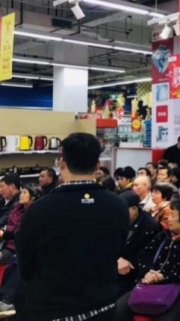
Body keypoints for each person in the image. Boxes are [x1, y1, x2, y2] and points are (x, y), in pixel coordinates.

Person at [17, 133, 129, 321]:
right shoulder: (118, 204)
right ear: (97, 165)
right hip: (103, 306)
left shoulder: (38, 209)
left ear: (62, 163)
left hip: (52, 308)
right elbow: (117, 248)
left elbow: (25, 265)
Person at [116, 200, 180, 321]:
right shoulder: (165, 235)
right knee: (118, 309)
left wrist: (163, 276)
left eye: (173, 215)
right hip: (150, 284)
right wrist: (147, 272)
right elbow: (145, 255)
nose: (168, 219)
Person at [117, 191, 161, 296]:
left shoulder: (150, 227)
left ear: (134, 209)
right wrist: (117, 258)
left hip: (133, 274)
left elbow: (146, 257)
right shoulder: (117, 219)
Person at [0, 184, 41, 267]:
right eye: (21, 192)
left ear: (33, 197)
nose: (21, 195)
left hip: (16, 249)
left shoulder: (34, 213)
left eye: (24, 193)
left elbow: (22, 235)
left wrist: (4, 234)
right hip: (4, 242)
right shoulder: (15, 209)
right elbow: (4, 222)